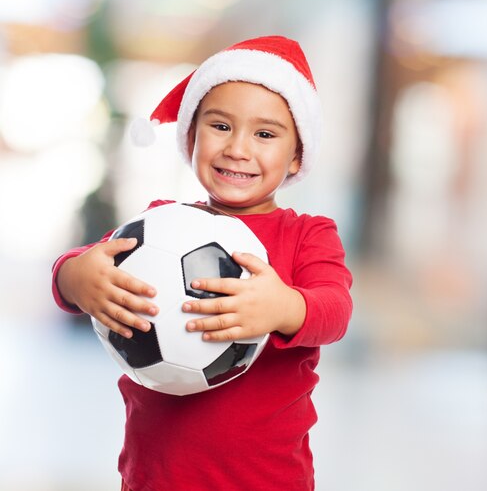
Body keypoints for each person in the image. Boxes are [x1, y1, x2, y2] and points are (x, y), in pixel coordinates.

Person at [51, 35, 353, 491]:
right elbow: (92, 260)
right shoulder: (161, 224)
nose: (238, 148)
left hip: (269, 478)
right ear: (190, 136)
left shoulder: (308, 233)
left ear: (296, 155)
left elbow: (335, 310)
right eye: (220, 126)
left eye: (265, 134)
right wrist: (74, 277)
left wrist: (284, 308)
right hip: (156, 476)